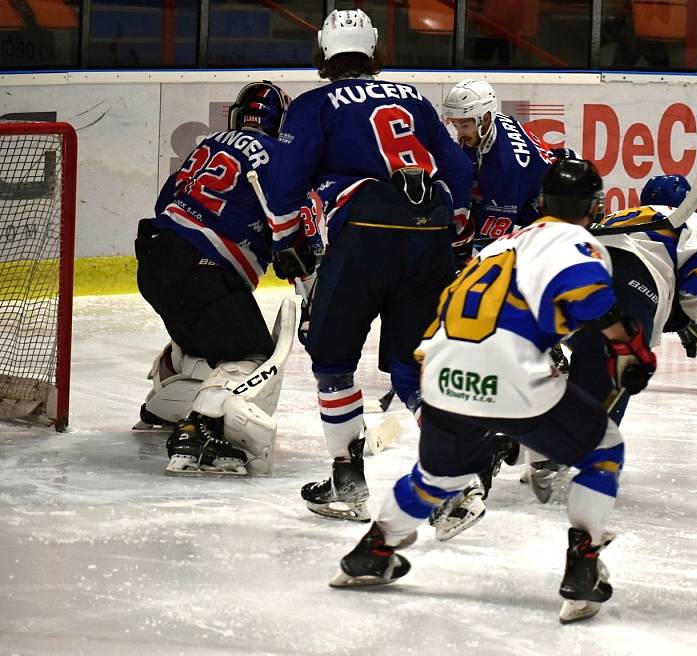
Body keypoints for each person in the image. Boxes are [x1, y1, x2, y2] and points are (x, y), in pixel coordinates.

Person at [329, 159, 658, 625]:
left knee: (437, 478)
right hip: (510, 375)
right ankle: (583, 565)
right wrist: (632, 347)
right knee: (604, 448)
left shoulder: (499, 245)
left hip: (442, 376)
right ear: (593, 206)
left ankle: (373, 550)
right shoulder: (578, 242)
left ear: (542, 201)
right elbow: (588, 297)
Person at [264, 9, 473, 522]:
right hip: (430, 236)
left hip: (365, 237)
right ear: (375, 50)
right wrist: (457, 230)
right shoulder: (414, 99)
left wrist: (284, 238)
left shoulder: (314, 104)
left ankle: (347, 479)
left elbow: (284, 181)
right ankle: (460, 488)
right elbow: (459, 167)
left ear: (324, 52)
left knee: (333, 361)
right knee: (412, 369)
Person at [524, 170, 697, 499]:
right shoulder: (693, 220)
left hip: (569, 280)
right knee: (618, 368)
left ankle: (517, 422)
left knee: (586, 355)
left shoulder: (618, 217)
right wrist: (682, 313)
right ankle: (553, 450)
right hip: (631, 284)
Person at [135, 81, 296, 476]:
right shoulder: (277, 156)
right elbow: (289, 225)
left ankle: (163, 398)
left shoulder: (208, 145)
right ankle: (198, 430)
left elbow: (166, 202)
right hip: (201, 270)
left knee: (204, 329)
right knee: (250, 355)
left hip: (154, 258)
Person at [441, 79, 555, 261]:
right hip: (536, 181)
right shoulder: (489, 126)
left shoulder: (504, 167)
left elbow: (491, 245)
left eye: (464, 126)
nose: (460, 133)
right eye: (456, 125)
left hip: (556, 205)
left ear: (485, 118)